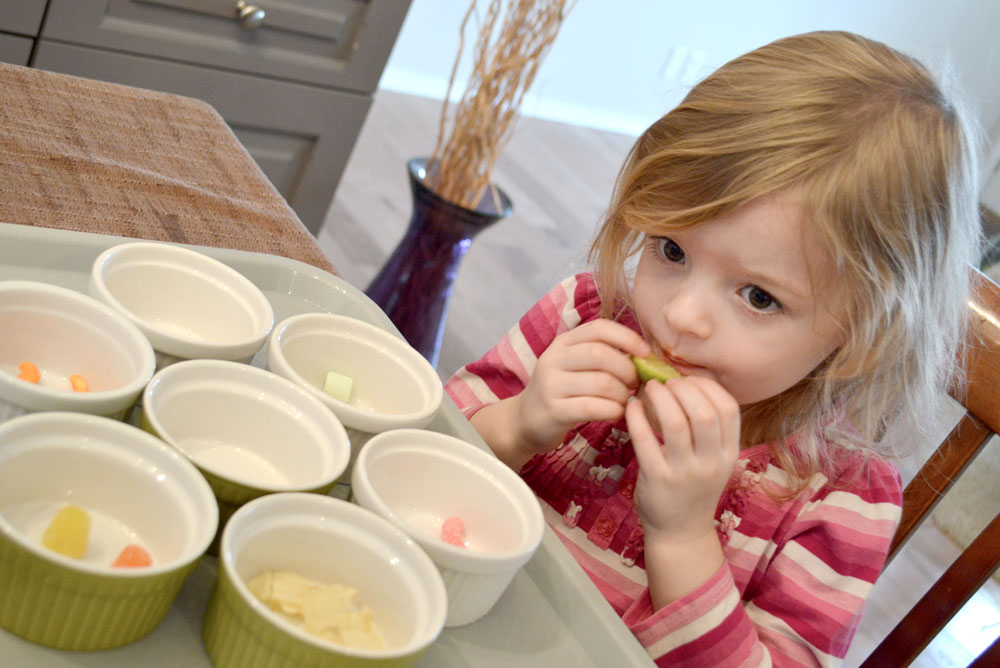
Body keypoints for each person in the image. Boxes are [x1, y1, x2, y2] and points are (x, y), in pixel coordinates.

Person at [445, 31, 982, 666]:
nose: (680, 316)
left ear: (865, 337)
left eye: (758, 297)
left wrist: (681, 537)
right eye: (672, 250)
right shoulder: (581, 317)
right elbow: (418, 453)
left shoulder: (842, 494)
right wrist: (516, 424)